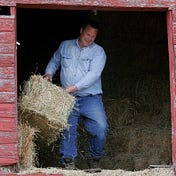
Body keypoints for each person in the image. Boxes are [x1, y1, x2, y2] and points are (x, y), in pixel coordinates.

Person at [44, 19, 108, 172]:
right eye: (88, 34)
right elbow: (55, 60)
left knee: (101, 127)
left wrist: (74, 87)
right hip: (68, 98)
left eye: (93, 36)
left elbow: (94, 74)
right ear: (81, 31)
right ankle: (68, 161)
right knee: (67, 127)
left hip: (90, 98)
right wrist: (48, 73)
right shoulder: (65, 45)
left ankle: (95, 159)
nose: (90, 38)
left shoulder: (99, 52)